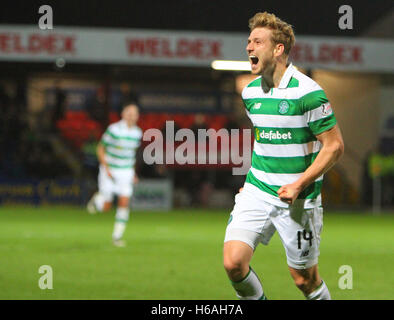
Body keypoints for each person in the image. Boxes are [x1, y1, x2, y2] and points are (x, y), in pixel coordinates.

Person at [223, 12, 345, 300]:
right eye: (248, 41)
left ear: (278, 49)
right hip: (258, 190)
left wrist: (298, 184)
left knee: (304, 280)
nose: (249, 47)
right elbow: (265, 141)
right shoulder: (250, 93)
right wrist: (253, 181)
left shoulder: (309, 93)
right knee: (233, 263)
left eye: (257, 41)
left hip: (299, 199)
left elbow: (335, 146)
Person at [87, 100, 142, 247]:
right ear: (123, 114)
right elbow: (100, 148)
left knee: (124, 202)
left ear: (137, 116)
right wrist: (106, 168)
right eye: (129, 113)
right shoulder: (113, 130)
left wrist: (133, 173)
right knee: (106, 207)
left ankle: (117, 237)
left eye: (134, 114)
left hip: (126, 171)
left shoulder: (137, 133)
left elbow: (132, 154)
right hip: (110, 169)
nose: (131, 116)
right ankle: (97, 198)